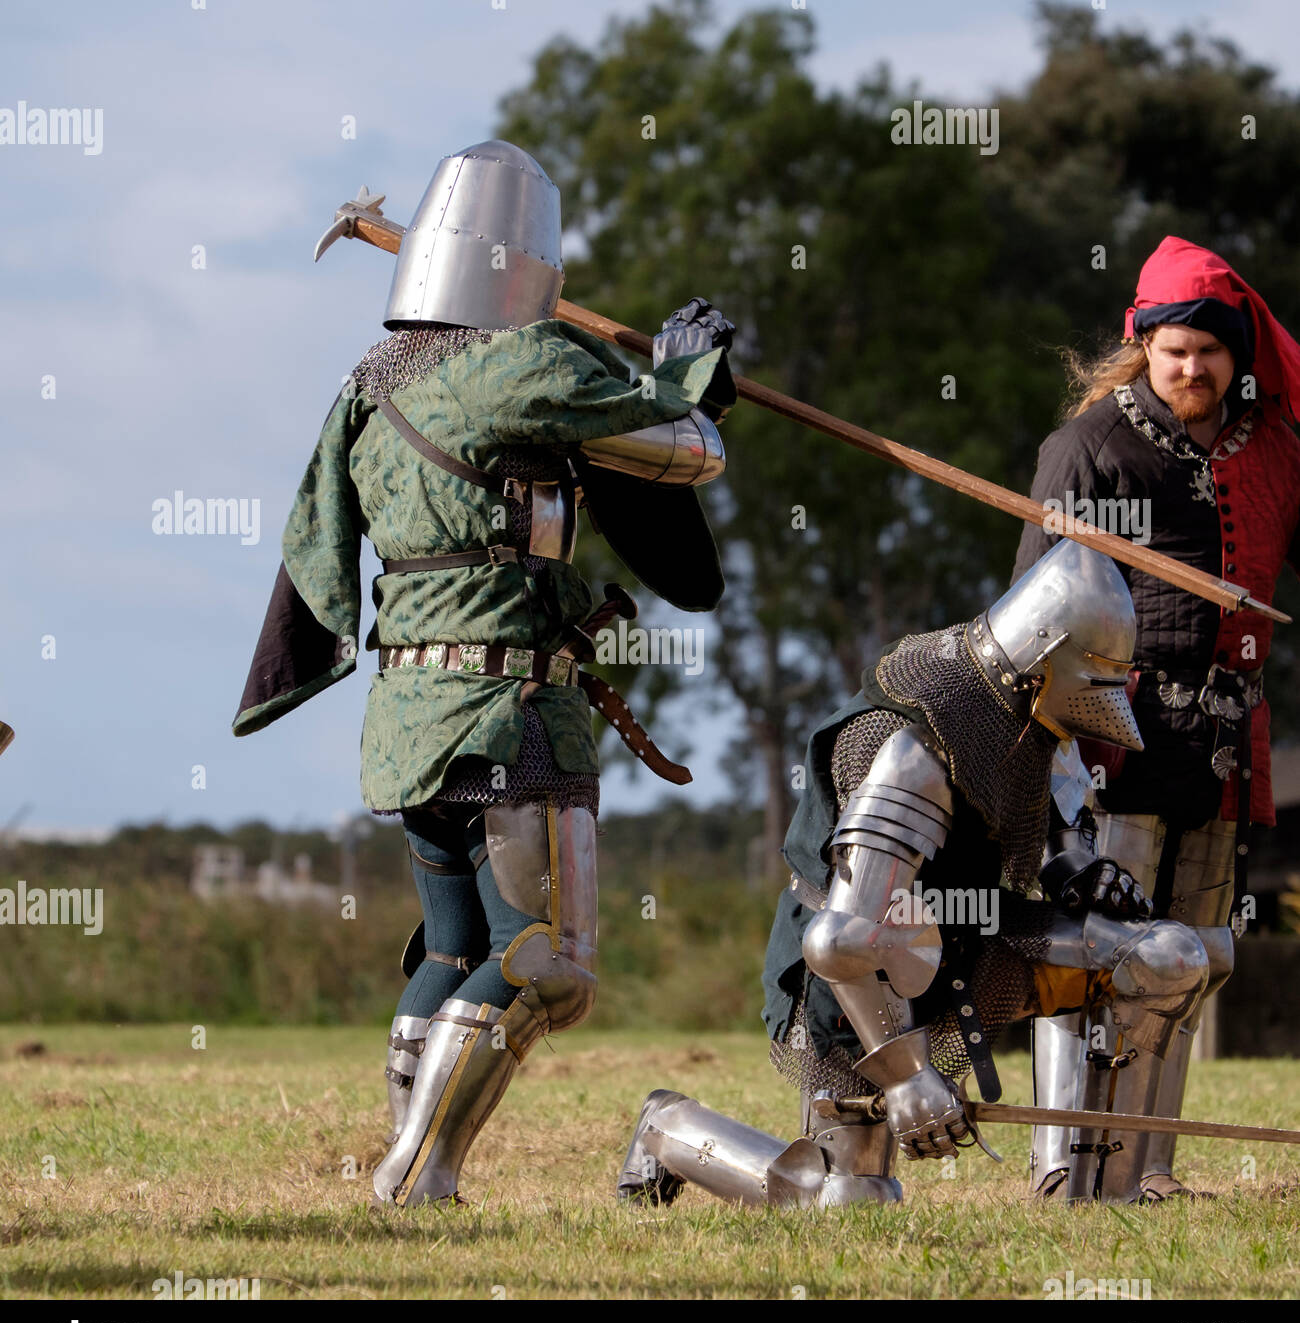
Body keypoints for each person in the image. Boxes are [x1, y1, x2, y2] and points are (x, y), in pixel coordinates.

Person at [232, 139, 735, 1208]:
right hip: (512, 714)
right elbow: (688, 447)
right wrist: (692, 370)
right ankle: (416, 1172)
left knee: (457, 949)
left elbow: (315, 539)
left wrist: (667, 388)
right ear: (528, 263)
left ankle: (408, 1159)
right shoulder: (522, 364)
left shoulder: (365, 389)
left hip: (409, 720)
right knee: (546, 965)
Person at [619, 541, 1205, 1207]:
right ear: (1044, 663)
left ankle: (1106, 1190)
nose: (1103, 702)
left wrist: (1082, 873)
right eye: (1094, 678)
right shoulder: (911, 751)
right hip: (857, 987)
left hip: (970, 938)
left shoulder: (1019, 711)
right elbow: (841, 941)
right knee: (846, 1199)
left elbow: (1049, 824)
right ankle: (666, 1125)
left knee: (1165, 955)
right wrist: (906, 1077)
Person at [1013, 236, 1300, 1199]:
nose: (1193, 368)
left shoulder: (1273, 454)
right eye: (1175, 349)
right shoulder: (1088, 448)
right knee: (1095, 954)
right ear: (1144, 346)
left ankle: (1150, 1168)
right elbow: (1031, 613)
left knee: (1192, 959)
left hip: (1224, 750)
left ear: (1236, 357)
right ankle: (1064, 1161)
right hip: (1113, 742)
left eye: (1210, 352)